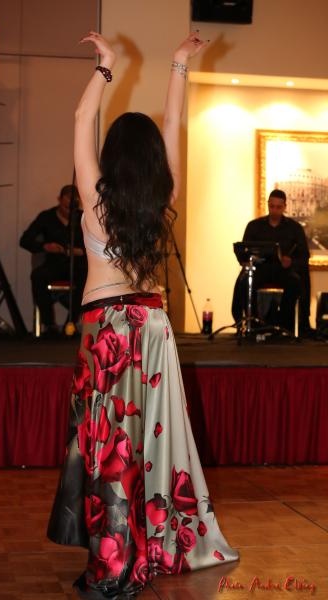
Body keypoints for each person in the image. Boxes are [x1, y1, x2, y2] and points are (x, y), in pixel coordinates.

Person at [47, 31, 239, 598]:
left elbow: (81, 116)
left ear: (112, 155)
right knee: (152, 439)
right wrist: (179, 65)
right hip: (153, 327)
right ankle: (155, 544)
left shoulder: (94, 196)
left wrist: (105, 67)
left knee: (112, 444)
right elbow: (174, 125)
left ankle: (114, 561)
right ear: (154, 160)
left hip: (108, 328)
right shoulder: (162, 198)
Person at [232, 189, 311, 333]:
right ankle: (253, 323)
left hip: (283, 271)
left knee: (295, 282)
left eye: (278, 207)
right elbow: (244, 249)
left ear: (285, 207)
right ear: (268, 205)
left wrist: (291, 261)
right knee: (244, 282)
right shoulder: (254, 226)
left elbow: (304, 255)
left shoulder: (294, 228)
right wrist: (245, 260)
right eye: (272, 206)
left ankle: (285, 323)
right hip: (260, 270)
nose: (274, 210)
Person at [19, 184, 87, 336]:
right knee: (38, 276)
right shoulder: (46, 217)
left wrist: (79, 251)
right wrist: (45, 246)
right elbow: (25, 240)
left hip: (77, 264)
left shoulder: (84, 217)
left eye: (73, 206)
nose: (68, 210)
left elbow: (96, 243)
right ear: (59, 200)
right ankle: (49, 324)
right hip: (54, 263)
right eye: (66, 205)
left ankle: (71, 323)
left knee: (86, 279)